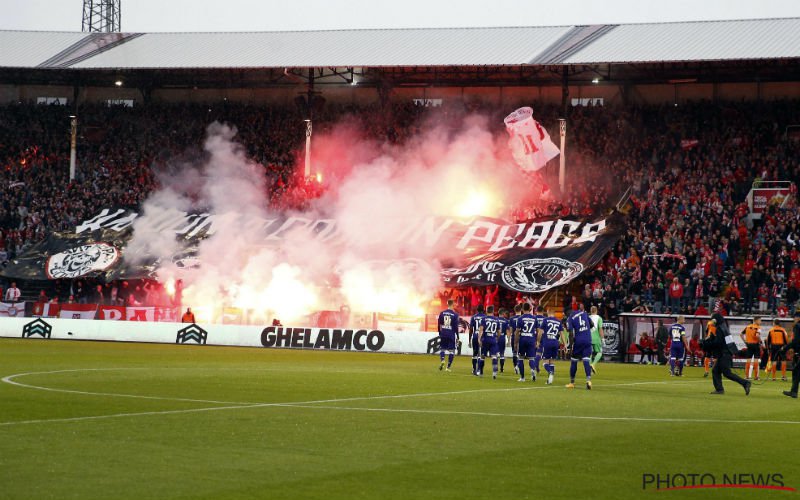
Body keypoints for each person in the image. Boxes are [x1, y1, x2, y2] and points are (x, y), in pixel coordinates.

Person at [703, 313, 751, 396]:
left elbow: (718, 343)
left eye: (712, 320)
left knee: (727, 373)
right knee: (715, 371)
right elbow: (727, 342)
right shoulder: (724, 327)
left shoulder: (719, 329)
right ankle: (719, 389)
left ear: (715, 320)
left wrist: (707, 343)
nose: (712, 322)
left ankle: (745, 383)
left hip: (723, 354)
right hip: (726, 353)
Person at [566, 303, 594, 390]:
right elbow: (592, 324)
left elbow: (570, 332)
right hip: (588, 339)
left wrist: (570, 346)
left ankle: (572, 382)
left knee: (574, 360)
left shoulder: (571, 317)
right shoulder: (584, 313)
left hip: (579, 341)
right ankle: (588, 380)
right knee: (586, 360)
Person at [514, 302, 537, 382]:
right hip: (531, 338)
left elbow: (517, 331)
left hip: (523, 339)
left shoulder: (520, 318)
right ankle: (533, 370)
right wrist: (537, 341)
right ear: (530, 309)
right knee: (531, 358)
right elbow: (537, 330)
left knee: (521, 358)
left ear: (523, 309)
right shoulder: (534, 318)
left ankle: (522, 377)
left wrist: (516, 342)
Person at [538, 312, 563, 385]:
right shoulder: (558, 321)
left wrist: (538, 341)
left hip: (547, 342)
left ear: (548, 313)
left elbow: (540, 332)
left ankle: (550, 372)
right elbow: (562, 334)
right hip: (555, 342)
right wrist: (564, 344)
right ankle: (550, 380)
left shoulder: (545, 320)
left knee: (545, 362)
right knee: (551, 362)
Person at [477, 305, 501, 379]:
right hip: (493, 340)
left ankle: (481, 373)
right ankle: (494, 373)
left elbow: (481, 330)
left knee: (482, 357)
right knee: (494, 356)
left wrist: (479, 338)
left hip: (485, 340)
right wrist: (497, 338)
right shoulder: (496, 320)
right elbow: (499, 331)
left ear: (487, 311)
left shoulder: (484, 319)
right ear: (493, 311)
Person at [780, 313, 800, 398]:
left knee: (796, 372)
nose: (794, 319)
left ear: (798, 318)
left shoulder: (797, 326)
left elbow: (796, 341)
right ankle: (793, 391)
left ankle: (794, 392)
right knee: (797, 372)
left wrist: (785, 348)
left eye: (794, 318)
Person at [437, 299, 459, 372]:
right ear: (452, 304)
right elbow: (456, 327)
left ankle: (442, 360)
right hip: (451, 334)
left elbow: (439, 324)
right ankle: (448, 367)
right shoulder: (455, 315)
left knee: (442, 349)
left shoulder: (442, 313)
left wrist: (440, 333)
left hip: (443, 333)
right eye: (454, 304)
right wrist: (458, 337)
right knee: (452, 351)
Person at [469, 305, 486, 375]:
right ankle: (479, 370)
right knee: (481, 354)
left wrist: (469, 339)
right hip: (482, 337)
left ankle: (474, 369)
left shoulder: (473, 317)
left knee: (475, 353)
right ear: (483, 309)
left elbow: (470, 329)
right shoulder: (485, 317)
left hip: (475, 336)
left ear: (477, 310)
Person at [589, 305, 604, 374]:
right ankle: (593, 364)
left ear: (591, 311)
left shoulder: (588, 317)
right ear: (596, 311)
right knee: (600, 352)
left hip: (588, 338)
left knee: (589, 353)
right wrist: (603, 338)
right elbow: (600, 329)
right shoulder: (599, 318)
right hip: (596, 338)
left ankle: (590, 368)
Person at [497, 308, 509, 373]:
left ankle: (495, 367)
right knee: (502, 354)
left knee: (495, 353)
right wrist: (509, 340)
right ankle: (501, 368)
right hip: (502, 338)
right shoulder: (506, 321)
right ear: (503, 313)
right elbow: (507, 331)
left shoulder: (495, 320)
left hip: (496, 338)